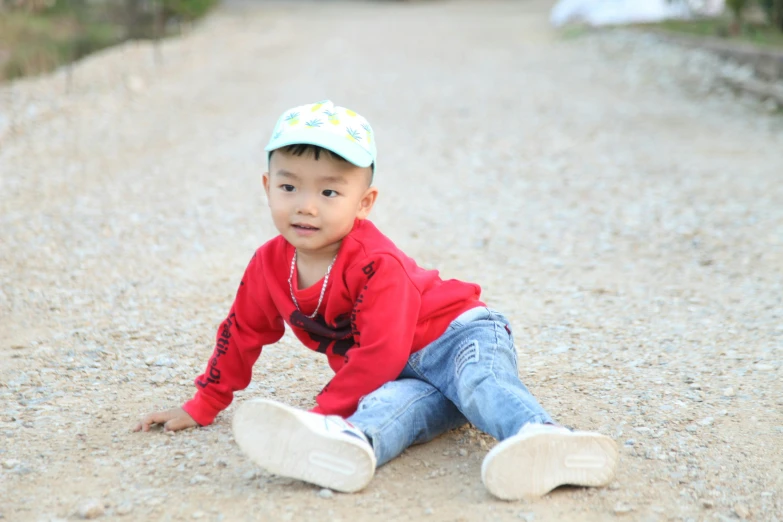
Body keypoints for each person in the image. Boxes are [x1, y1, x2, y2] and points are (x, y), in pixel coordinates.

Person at [134, 100, 618, 500]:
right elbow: (241, 331)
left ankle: (543, 437)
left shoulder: (375, 261)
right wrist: (204, 402)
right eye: (288, 186)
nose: (305, 204)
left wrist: (324, 409)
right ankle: (351, 446)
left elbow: (382, 351)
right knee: (393, 407)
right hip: (398, 371)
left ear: (363, 203)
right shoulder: (268, 264)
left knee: (478, 382)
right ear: (267, 188)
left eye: (329, 191)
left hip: (457, 334)